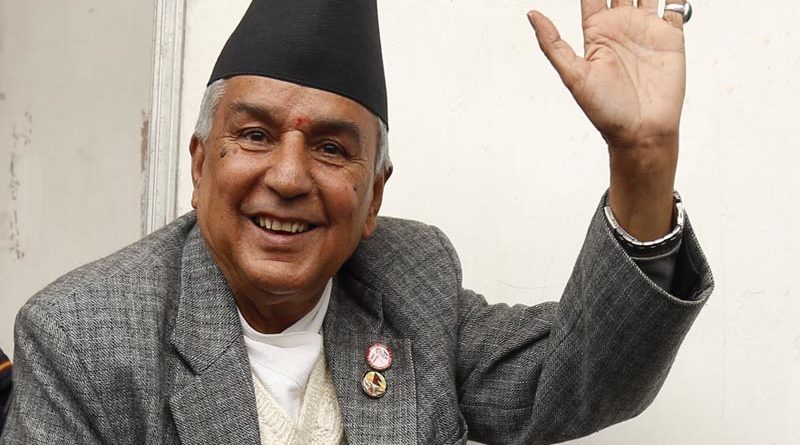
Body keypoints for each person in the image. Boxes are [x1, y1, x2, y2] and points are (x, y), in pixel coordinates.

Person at [0, 0, 712, 444]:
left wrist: (643, 159)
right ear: (200, 163)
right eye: (255, 135)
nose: (288, 177)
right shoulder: (81, 340)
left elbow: (581, 378)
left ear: (373, 197)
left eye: (332, 148)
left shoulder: (413, 282)